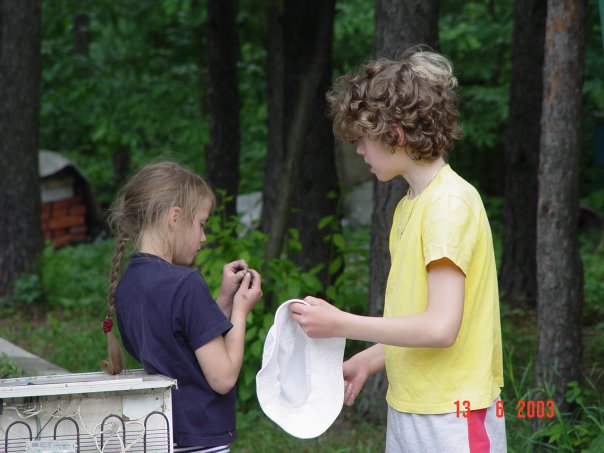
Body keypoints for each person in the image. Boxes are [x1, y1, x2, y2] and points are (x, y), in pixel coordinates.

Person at [289, 46, 507, 452]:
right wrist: (371, 359)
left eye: (362, 139)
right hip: (410, 407)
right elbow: (417, 320)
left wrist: (342, 323)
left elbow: (440, 328)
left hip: (454, 415)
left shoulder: (448, 205)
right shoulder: (410, 205)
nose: (359, 151)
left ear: (395, 135)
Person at [102, 161, 262, 453]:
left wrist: (224, 300)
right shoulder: (186, 283)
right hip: (199, 441)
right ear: (175, 217)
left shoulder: (128, 286)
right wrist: (240, 310)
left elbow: (180, 343)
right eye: (201, 224)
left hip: (156, 435)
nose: (204, 237)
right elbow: (223, 377)